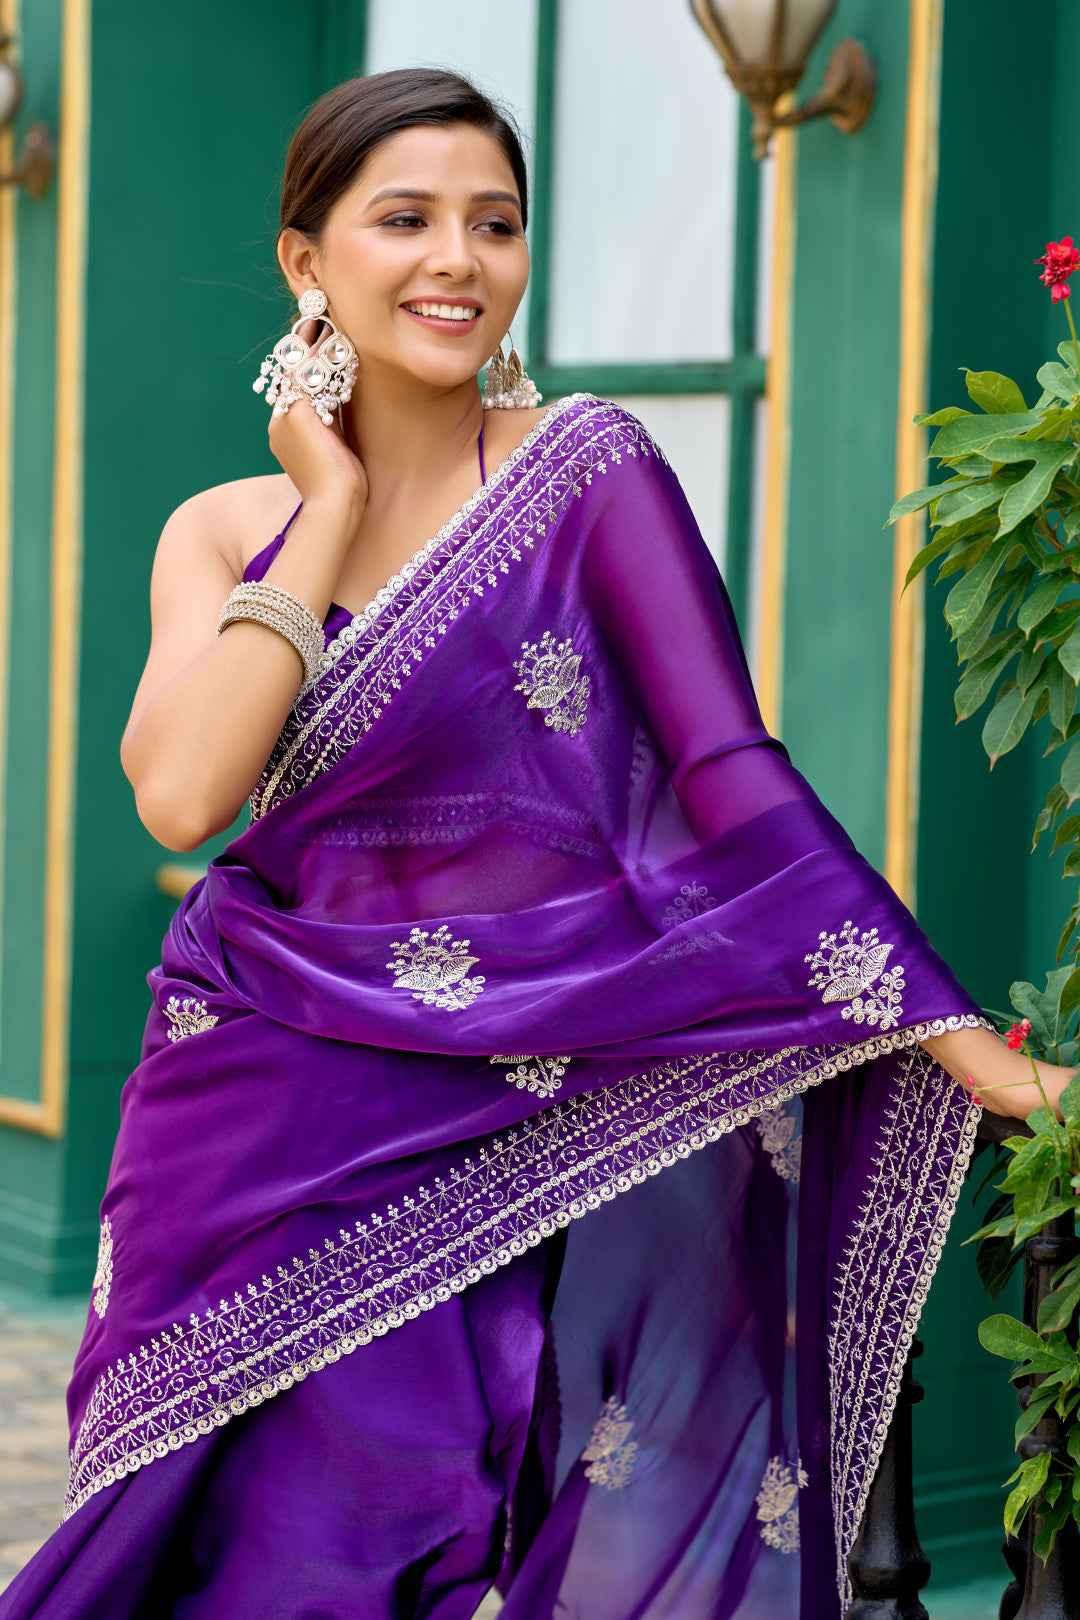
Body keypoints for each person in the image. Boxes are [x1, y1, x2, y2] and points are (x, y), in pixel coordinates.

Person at [0, 66, 1069, 1620]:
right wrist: (334, 503)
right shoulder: (232, 526)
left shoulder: (587, 472)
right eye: (405, 220)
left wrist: (963, 1044)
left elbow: (729, 775)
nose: (458, 260)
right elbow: (177, 797)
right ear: (308, 262)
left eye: (494, 224)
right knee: (188, 1544)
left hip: (503, 1094)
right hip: (245, 1112)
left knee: (405, 1522)